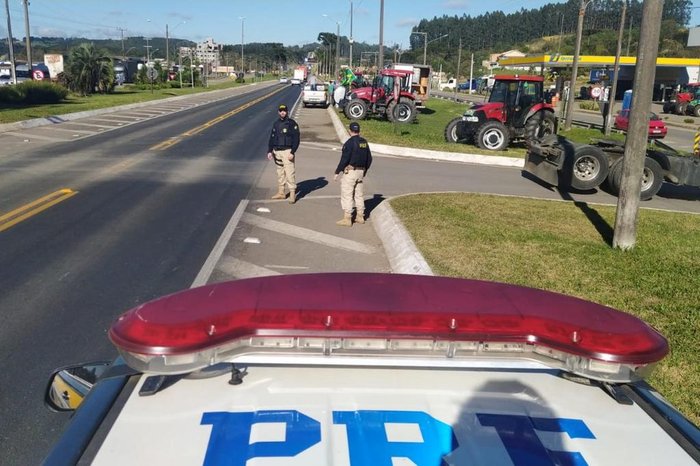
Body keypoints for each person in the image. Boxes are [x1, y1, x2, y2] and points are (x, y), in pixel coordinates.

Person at [333, 121, 372, 226]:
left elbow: (344, 159)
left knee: (347, 194)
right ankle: (360, 216)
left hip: (351, 172)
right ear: (359, 131)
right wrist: (364, 171)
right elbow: (369, 159)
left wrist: (337, 172)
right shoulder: (364, 142)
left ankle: (347, 218)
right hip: (361, 172)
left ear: (350, 131)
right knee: (359, 195)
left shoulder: (349, 143)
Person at [267, 104, 300, 203]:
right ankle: (281, 193)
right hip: (277, 152)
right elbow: (272, 138)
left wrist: (293, 152)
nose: (282, 112)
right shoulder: (276, 124)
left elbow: (296, 139)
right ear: (278, 112)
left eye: (284, 111)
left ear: (287, 112)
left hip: (287, 152)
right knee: (280, 173)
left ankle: (292, 194)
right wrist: (269, 150)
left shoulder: (292, 124)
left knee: (289, 173)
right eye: (281, 111)